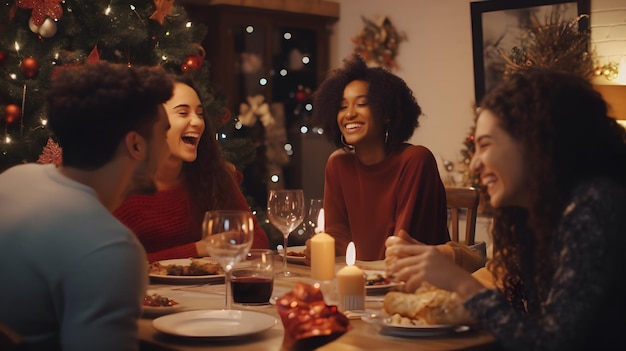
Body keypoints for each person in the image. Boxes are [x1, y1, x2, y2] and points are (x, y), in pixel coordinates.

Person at [385, 67, 626, 350]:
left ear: (534, 141)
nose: (475, 164)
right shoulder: (537, 217)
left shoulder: (596, 205)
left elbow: (553, 343)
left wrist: (462, 283)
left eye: (485, 145)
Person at [0, 62, 173, 351]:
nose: (167, 149)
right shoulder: (110, 247)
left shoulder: (14, 179)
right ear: (136, 145)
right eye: (164, 135)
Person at [310, 53, 450, 261]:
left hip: (413, 284)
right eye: (342, 106)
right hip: (360, 282)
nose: (349, 114)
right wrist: (320, 249)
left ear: (386, 113)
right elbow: (337, 237)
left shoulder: (415, 160)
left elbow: (405, 245)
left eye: (361, 104)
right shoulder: (337, 164)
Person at [114, 75, 269, 263]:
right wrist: (197, 249)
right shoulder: (120, 187)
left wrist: (220, 245)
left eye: (200, 113)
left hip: (207, 291)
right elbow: (112, 264)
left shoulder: (215, 177)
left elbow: (258, 241)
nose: (197, 122)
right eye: (182, 113)